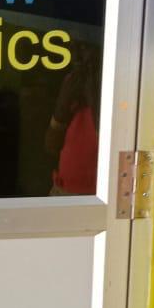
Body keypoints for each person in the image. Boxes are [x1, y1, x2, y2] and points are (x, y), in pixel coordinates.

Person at [45, 42, 101, 195]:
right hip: (62, 189)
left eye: (83, 47)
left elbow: (114, 151)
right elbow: (51, 146)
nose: (77, 57)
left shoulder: (114, 87)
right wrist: (63, 103)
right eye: (73, 48)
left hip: (95, 196)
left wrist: (93, 96)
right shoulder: (74, 82)